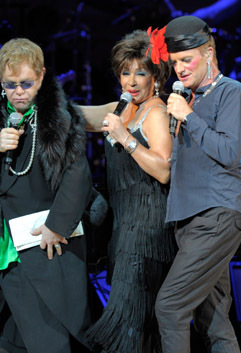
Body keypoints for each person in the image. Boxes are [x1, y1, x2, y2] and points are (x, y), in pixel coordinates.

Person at [0, 37, 93, 353]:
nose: (18, 92)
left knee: (43, 340)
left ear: (41, 77)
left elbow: (77, 174)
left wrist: (57, 225)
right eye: (10, 84)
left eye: (26, 84)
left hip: (32, 247)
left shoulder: (60, 117)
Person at [154, 16, 241, 353]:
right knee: (214, 319)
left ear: (209, 52)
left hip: (216, 217)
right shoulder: (188, 100)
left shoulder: (232, 92)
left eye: (187, 59)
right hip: (190, 221)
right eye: (175, 63)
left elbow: (228, 151)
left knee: (170, 306)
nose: (179, 69)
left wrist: (189, 117)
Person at [80, 29, 176, 353]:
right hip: (124, 228)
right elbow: (75, 116)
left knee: (129, 320)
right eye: (125, 72)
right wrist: (40, 100)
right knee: (138, 324)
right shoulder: (121, 108)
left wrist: (126, 138)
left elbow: (164, 170)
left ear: (155, 76)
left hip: (147, 230)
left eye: (140, 72)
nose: (131, 81)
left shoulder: (156, 112)